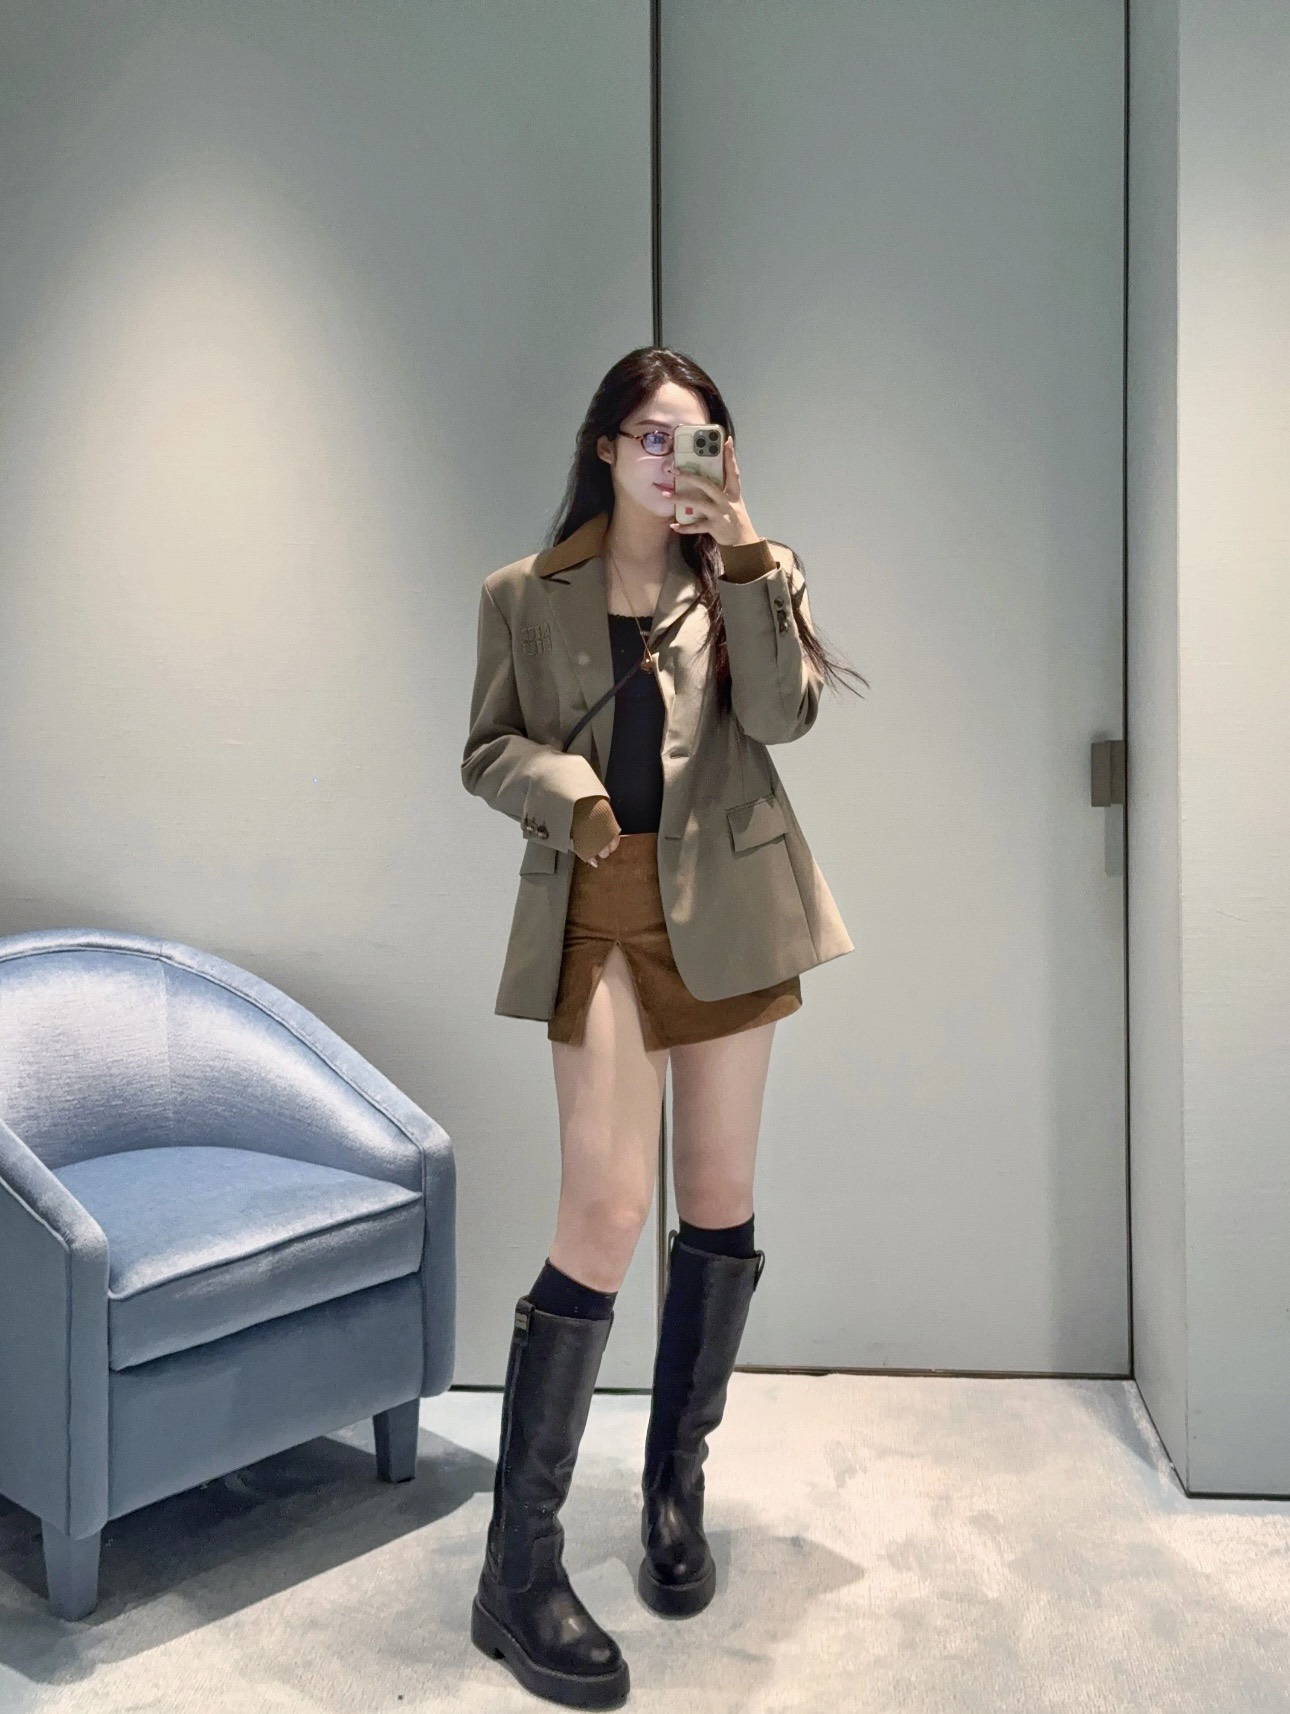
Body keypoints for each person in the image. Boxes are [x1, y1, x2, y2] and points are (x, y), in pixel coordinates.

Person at [461, 347, 864, 1707]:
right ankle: (517, 1567)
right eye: (647, 435)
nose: (667, 460)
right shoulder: (524, 595)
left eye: (696, 439)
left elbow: (784, 716)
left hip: (732, 908)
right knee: (605, 1208)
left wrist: (741, 550)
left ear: (720, 456)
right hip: (599, 907)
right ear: (603, 448)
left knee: (717, 1195)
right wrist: (566, 791)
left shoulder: (750, 574)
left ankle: (673, 1489)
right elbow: (485, 749)